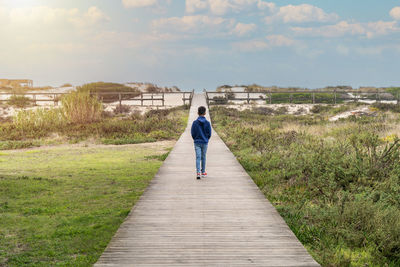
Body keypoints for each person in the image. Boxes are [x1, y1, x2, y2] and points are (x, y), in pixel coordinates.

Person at [191, 106, 212, 180]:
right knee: (203, 157)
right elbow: (209, 133)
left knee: (198, 157)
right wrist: (206, 139)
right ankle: (203, 172)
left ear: (198, 113)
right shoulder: (207, 123)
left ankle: (198, 173)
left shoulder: (195, 123)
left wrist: (196, 138)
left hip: (197, 142)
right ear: (205, 113)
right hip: (204, 142)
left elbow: (192, 133)